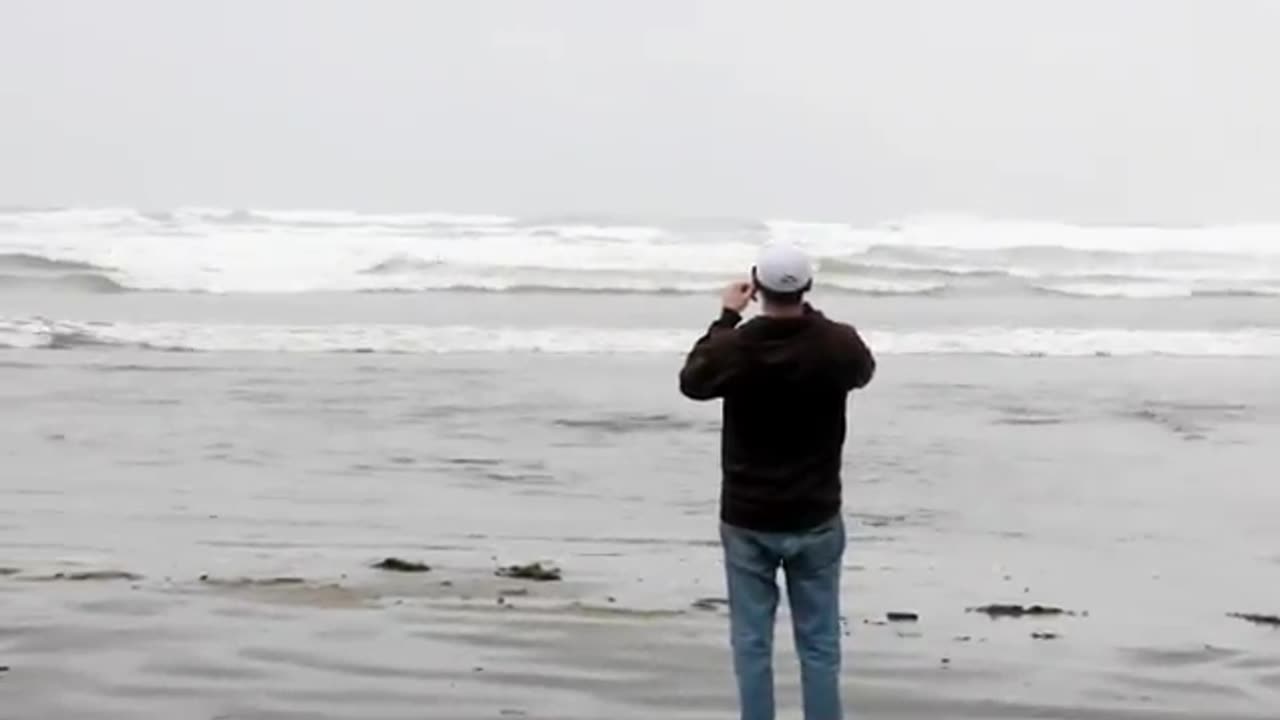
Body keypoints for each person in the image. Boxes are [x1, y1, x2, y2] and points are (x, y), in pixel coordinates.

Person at [679, 242, 876, 720]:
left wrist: (727, 316)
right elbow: (862, 371)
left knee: (750, 644)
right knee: (820, 644)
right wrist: (813, 318)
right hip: (815, 514)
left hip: (749, 515)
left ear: (756, 286)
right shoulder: (836, 342)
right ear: (807, 287)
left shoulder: (736, 345)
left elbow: (693, 381)